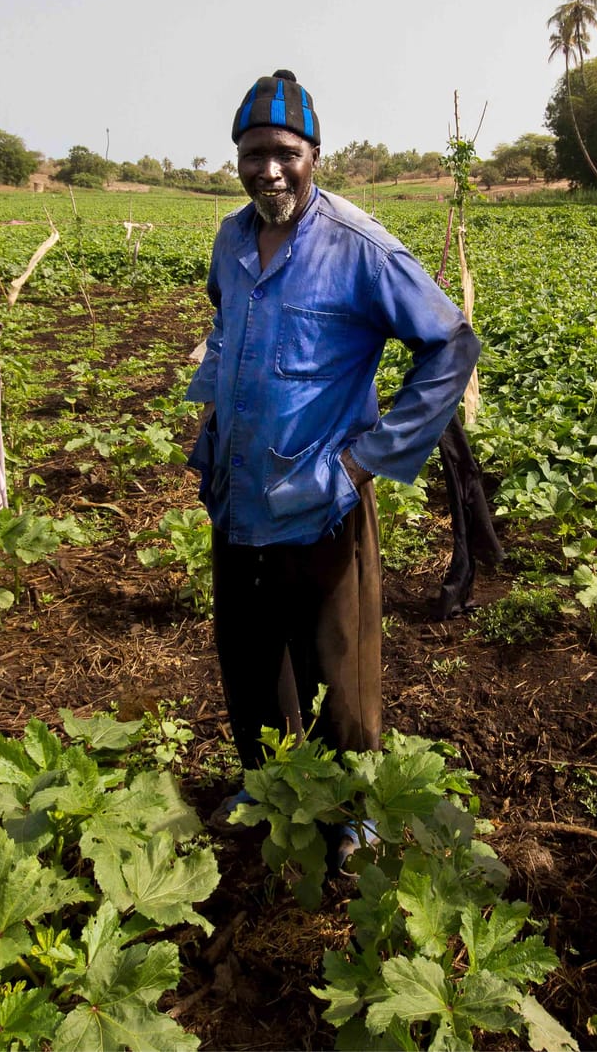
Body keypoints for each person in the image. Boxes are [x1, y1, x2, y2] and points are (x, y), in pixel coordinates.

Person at [188, 69, 478, 866]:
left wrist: (365, 460)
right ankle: (268, 784)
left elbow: (450, 345)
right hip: (239, 490)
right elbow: (224, 327)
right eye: (252, 154)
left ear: (315, 153)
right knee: (250, 659)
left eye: (283, 152)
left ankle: (356, 810)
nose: (268, 170)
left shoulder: (357, 247)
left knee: (337, 668)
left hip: (322, 499)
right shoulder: (231, 240)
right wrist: (211, 424)